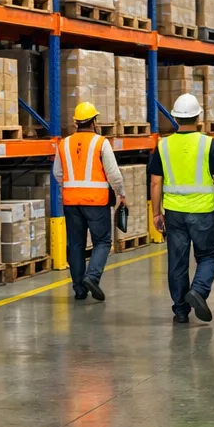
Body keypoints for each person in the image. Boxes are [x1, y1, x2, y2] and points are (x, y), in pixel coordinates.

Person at [149, 93, 214, 324]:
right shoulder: (208, 144)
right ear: (198, 117)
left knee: (177, 262)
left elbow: (155, 182)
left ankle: (180, 311)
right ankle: (198, 290)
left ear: (175, 118)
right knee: (209, 256)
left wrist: (156, 213)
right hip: (203, 213)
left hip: (174, 214)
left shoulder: (163, 145)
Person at [53, 101, 127, 301]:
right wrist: (121, 194)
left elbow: (57, 174)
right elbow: (114, 175)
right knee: (102, 241)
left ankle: (79, 289)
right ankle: (92, 277)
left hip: (71, 203)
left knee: (75, 244)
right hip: (96, 202)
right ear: (94, 121)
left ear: (77, 122)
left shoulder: (63, 143)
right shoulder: (100, 143)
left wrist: (71, 187)